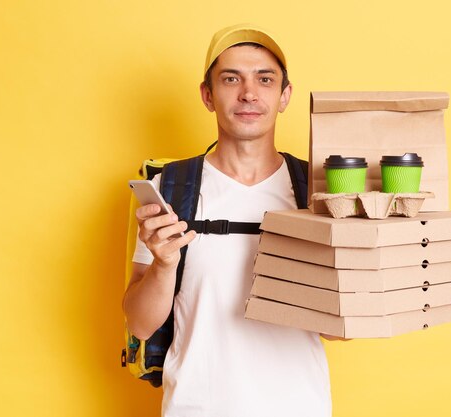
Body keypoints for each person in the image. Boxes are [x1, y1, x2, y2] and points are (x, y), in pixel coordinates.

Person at [123, 24, 332, 417]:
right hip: (194, 407)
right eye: (231, 79)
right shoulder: (169, 187)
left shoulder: (317, 192)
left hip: (301, 406)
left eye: (265, 79)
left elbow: (340, 332)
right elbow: (140, 324)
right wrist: (165, 265)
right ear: (207, 95)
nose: (249, 93)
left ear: (284, 95)